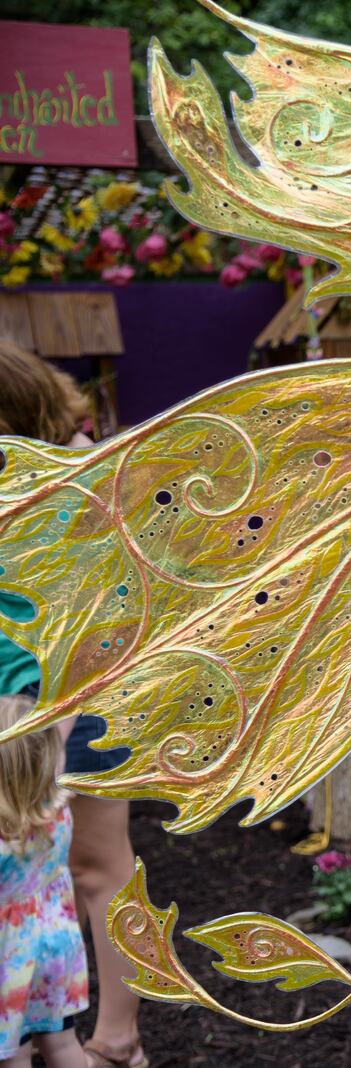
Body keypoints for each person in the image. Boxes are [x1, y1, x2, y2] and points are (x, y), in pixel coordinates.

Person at [0, 344, 144, 1068]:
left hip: (75, 688)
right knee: (40, 873)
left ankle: (117, 1039)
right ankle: (48, 1033)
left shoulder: (73, 477)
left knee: (95, 863)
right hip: (28, 698)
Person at [0, 693, 89, 1068]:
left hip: (9, 961)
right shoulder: (56, 811)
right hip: (57, 947)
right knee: (61, 1042)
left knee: (15, 1053)